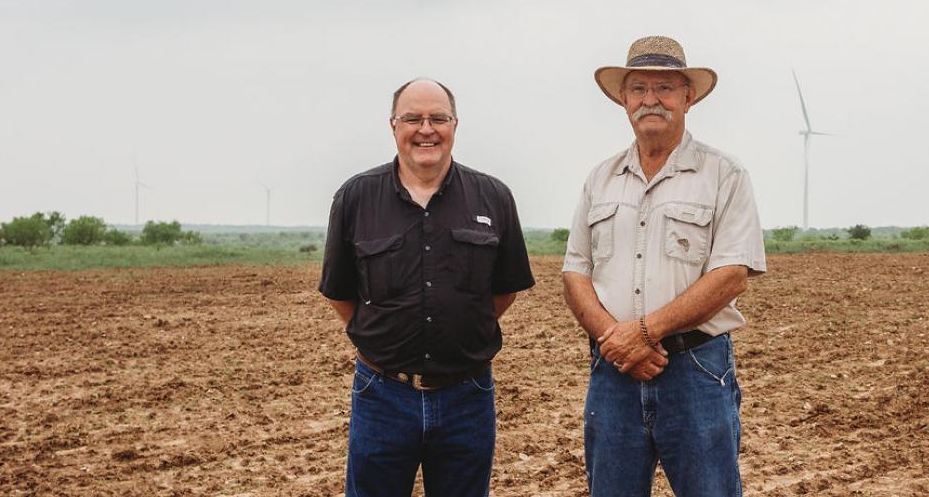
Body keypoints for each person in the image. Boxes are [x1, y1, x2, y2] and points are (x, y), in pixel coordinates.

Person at [562, 35, 767, 496]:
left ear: (687, 97)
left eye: (664, 88)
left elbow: (731, 274)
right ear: (623, 98)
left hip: (695, 369)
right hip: (612, 372)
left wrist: (644, 332)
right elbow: (575, 271)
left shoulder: (724, 175)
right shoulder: (600, 177)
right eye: (638, 88)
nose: (650, 100)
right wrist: (615, 342)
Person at [319, 78, 535, 497]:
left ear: (455, 124)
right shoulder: (356, 198)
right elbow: (339, 291)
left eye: (438, 118)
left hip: (467, 395)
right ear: (393, 126)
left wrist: (461, 328)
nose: (426, 129)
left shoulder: (493, 197)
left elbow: (505, 290)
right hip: (382, 393)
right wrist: (386, 336)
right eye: (412, 118)